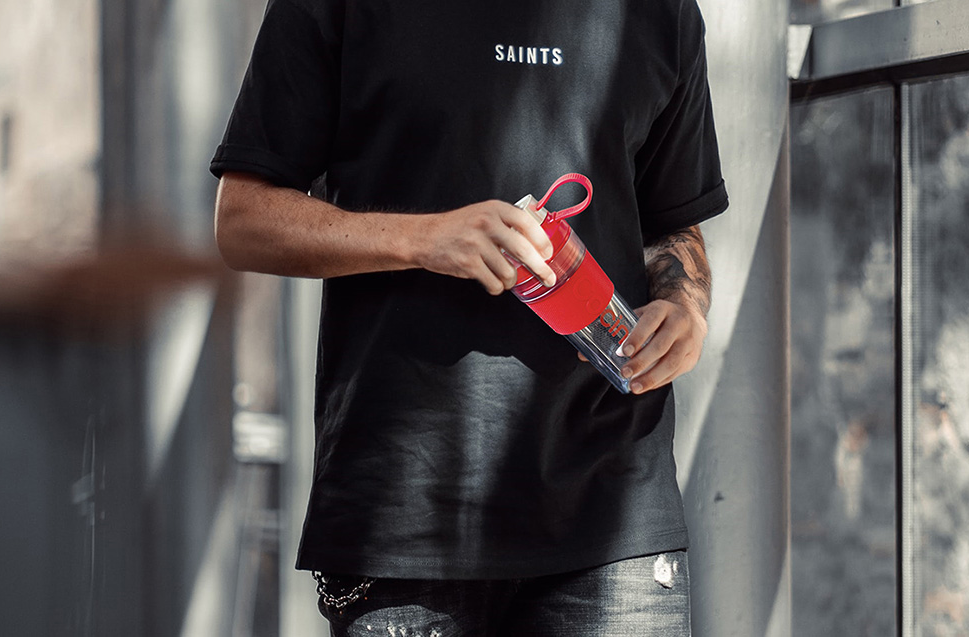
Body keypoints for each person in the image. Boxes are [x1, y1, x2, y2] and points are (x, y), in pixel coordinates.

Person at [211, 0, 728, 634]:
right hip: (406, 510)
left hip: (614, 508)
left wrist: (685, 304)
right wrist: (422, 239)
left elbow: (673, 222)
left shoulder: (663, 11)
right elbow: (244, 221)